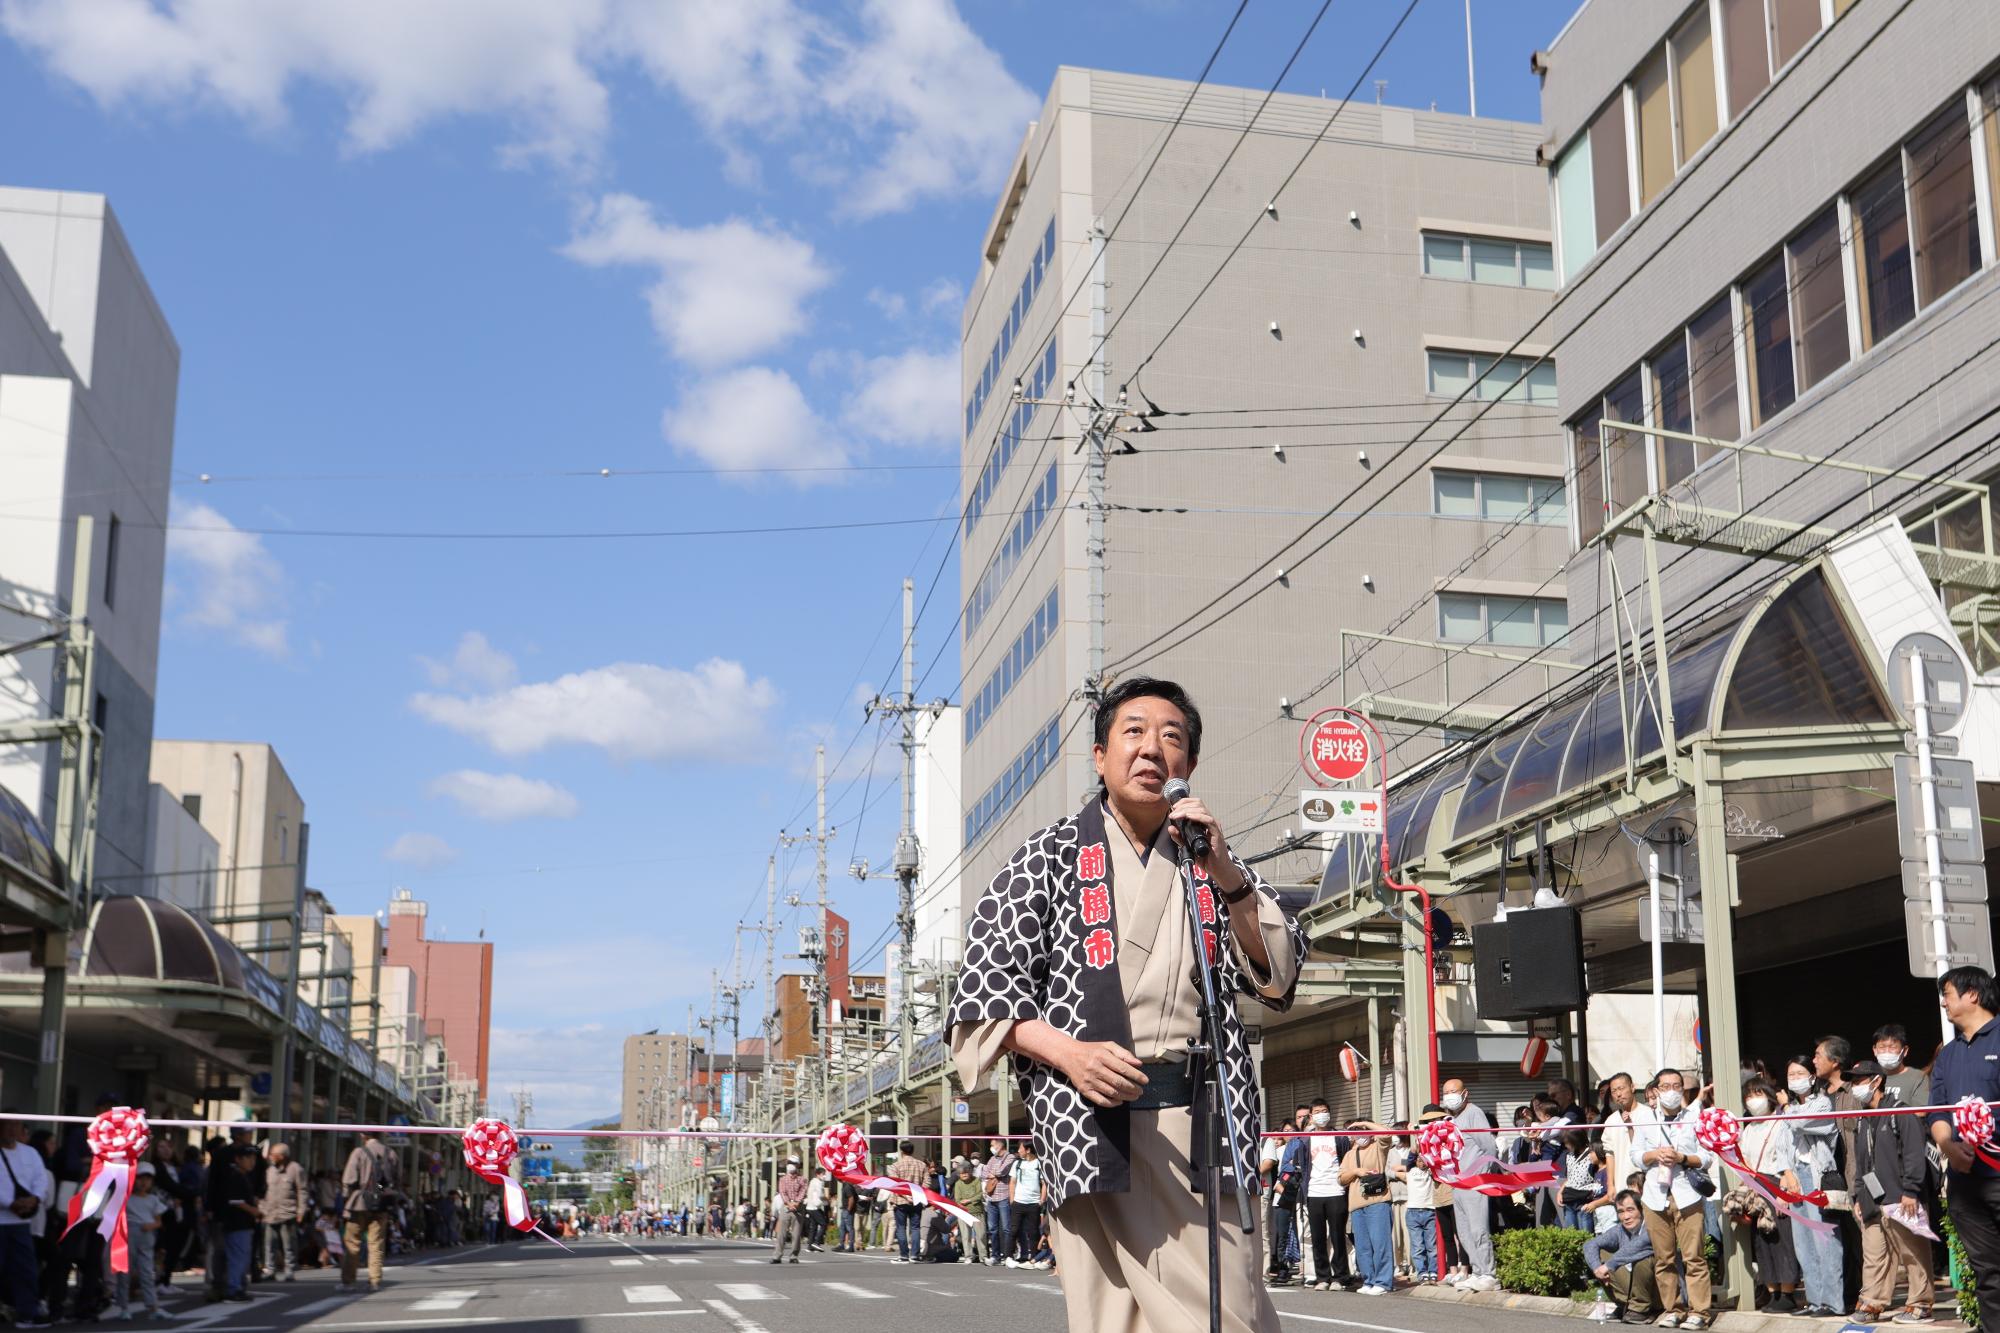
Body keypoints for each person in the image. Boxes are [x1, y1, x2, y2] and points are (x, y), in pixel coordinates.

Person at [948, 677, 1305, 1333]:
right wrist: (1068, 1053)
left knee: (1229, 1315)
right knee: (1114, 1318)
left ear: (1188, 766)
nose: (1151, 749)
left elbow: (1278, 975)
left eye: (1171, 737)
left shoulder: (1211, 859)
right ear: (1099, 756)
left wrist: (1228, 872)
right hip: (1092, 1128)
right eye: (1133, 732)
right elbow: (982, 989)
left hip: (1199, 1129)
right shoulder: (1048, 856)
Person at [1933, 966, 2000, 1329]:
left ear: (1971, 994)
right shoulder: (1948, 1054)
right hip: (1964, 1180)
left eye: (1947, 994)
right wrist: (1948, 1145)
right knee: (1988, 1272)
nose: (1943, 1002)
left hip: (1998, 1172)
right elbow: (1937, 1110)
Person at [1843, 1059, 1934, 1323]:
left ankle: (1920, 1303)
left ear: (1876, 1081)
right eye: (1853, 1082)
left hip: (1901, 1197)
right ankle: (1872, 1303)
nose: (1855, 1087)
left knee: (1912, 1251)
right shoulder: (1862, 1119)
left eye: (1859, 1081)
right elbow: (1861, 1163)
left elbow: (1914, 1154)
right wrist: (1859, 1196)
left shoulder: (1899, 1112)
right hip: (1872, 1200)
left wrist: (1911, 1190)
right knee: (1873, 1254)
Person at [1627, 1067, 1712, 1330]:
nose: (1672, 1091)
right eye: (1666, 1087)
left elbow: (1707, 1157)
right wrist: (1655, 1155)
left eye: (1677, 1086)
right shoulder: (1645, 1120)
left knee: (1693, 1257)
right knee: (1663, 1258)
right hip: (1655, 1196)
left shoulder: (1695, 1118)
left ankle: (1700, 1311)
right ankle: (1672, 1308)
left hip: (1687, 1195)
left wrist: (1682, 1158)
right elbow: (1635, 1155)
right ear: (1655, 1090)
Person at [1783, 1054, 1847, 1318]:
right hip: (1795, 1175)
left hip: (1817, 1175)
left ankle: (1833, 1302)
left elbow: (1801, 1123)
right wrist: (1787, 1173)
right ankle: (1814, 1299)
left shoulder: (1822, 1103)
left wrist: (1788, 1111)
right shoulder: (1786, 1110)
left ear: (1812, 1076)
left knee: (1825, 1240)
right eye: (1791, 1075)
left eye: (1800, 1074)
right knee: (1803, 1243)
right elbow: (1782, 1142)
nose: (1796, 1079)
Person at [1735, 1078, 1801, 1314]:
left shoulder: (1781, 1122)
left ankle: (1788, 1293)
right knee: (1761, 1242)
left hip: (1777, 1184)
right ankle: (1772, 1292)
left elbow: (1789, 1156)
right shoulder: (1749, 1127)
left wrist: (1785, 1187)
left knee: (1783, 1240)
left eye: (1758, 1093)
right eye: (1749, 1095)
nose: (1753, 1099)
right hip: (1756, 1189)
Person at [1441, 1077, 1499, 1292]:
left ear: (1465, 1093)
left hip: (1475, 1181)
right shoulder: (1452, 1120)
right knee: (1464, 1232)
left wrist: (1483, 1173)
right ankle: (1477, 1271)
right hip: (1458, 1183)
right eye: (1446, 1092)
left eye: (1453, 1091)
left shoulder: (1474, 1113)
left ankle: (1489, 1274)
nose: (1449, 1096)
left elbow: (1489, 1147)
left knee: (1478, 1229)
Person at [0, 1114, 49, 1328]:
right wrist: (9, 1203)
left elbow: (41, 1179)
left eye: (16, 1125)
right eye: (7, 1125)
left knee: (26, 1268)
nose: (12, 1129)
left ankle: (27, 1312)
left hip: (21, 1223)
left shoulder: (30, 1153)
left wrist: (35, 1198)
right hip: (2, 1217)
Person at [1336, 1120, 1394, 1295]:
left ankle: (1383, 1282)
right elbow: (1340, 1179)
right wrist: (1356, 1172)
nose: (1360, 1134)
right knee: (1363, 1246)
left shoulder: (1378, 1147)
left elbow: (1386, 1134)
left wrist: (1366, 1123)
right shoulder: (1349, 1155)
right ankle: (1369, 1280)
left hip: (1378, 1201)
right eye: (1355, 1131)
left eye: (1363, 1130)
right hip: (1356, 1204)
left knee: (1380, 1242)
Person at [1585, 1191, 1657, 1325]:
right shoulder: (1619, 1230)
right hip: (1632, 1287)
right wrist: (1597, 1268)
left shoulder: (1652, 1227)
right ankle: (1624, 1305)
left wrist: (1608, 1265)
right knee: (1601, 1252)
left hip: (1658, 1292)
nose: (1626, 1216)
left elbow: (1639, 1246)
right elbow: (1590, 1244)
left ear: (1641, 1210)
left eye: (1630, 1210)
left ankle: (1641, 1309)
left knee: (1642, 1256)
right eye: (1621, 1212)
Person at [339, 1131, 399, 1293]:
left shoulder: (359, 1152)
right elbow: (395, 1180)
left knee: (352, 1243)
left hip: (359, 1202)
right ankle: (375, 1281)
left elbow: (349, 1179)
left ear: (363, 1135)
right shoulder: (391, 1153)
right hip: (382, 1203)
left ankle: (348, 1281)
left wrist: (346, 1199)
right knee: (376, 1243)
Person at [1302, 1100, 1352, 1291]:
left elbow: (1345, 1160)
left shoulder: (1339, 1137)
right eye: (1317, 1111)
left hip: (1336, 1190)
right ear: (1311, 1116)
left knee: (1338, 1236)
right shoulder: (1306, 1139)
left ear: (1330, 1113)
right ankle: (1322, 1277)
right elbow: (1301, 1163)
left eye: (1324, 1111)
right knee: (1317, 1237)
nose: (1321, 1114)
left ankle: (1340, 1276)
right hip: (1315, 1192)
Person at [261, 1142, 308, 1282]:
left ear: (282, 1156)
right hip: (270, 1213)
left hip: (288, 1213)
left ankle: (290, 1270)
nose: (271, 1157)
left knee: (289, 1245)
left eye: (274, 1155)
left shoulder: (296, 1169)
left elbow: (302, 1191)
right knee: (269, 1244)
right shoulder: (270, 1170)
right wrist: (262, 1208)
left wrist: (301, 1211)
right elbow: (264, 1190)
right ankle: (270, 1270)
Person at [1870, 1025, 1930, 1108]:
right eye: (1882, 1047)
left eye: (1893, 1047)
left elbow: (1921, 1112)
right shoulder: (1868, 1078)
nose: (1887, 1052)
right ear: (1875, 1050)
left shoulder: (1918, 1077)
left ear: (1905, 1051)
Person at [978, 1138, 1013, 1266]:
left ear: (1000, 1145)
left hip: (1004, 1196)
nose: (991, 1147)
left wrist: (993, 1173)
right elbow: (983, 1173)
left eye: (992, 1145)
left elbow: (1002, 1171)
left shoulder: (1010, 1157)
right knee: (992, 1229)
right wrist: (993, 1174)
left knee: (1006, 1228)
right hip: (991, 1198)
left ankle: (1008, 1255)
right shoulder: (993, 1159)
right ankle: (995, 1256)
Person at [771, 1158, 806, 1264]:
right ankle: (777, 1256)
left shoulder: (802, 1179)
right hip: (786, 1208)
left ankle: (794, 1256)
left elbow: (803, 1192)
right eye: (789, 1163)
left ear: (798, 1165)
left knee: (796, 1234)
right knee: (781, 1233)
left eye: (793, 1163)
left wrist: (796, 1202)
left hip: (798, 1208)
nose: (790, 1165)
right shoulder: (782, 1179)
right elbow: (782, 1192)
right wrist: (789, 1203)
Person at [952, 1166, 987, 1262]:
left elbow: (980, 1194)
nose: (964, 1174)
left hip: (977, 1211)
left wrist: (969, 1200)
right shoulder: (958, 1184)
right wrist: (970, 1200)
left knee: (981, 1235)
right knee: (965, 1236)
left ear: (970, 1172)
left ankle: (983, 1256)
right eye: (962, 1173)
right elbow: (958, 1199)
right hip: (963, 1212)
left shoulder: (976, 1181)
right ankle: (968, 1256)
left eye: (966, 1172)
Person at [804, 1168, 829, 1253]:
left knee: (813, 1226)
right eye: (823, 1174)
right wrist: (826, 1198)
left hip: (810, 1207)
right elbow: (820, 1195)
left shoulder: (812, 1181)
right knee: (823, 1224)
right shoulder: (818, 1183)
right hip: (815, 1207)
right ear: (818, 1174)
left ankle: (810, 1245)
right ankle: (817, 1242)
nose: (824, 1176)